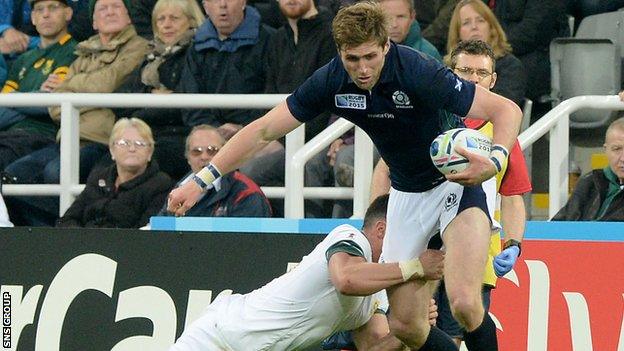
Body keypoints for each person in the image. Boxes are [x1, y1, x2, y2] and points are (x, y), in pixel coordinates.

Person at [167, 2, 522, 349]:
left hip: (456, 184)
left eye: (371, 56)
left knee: (463, 302)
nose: (363, 69)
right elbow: (263, 131)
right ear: (340, 53)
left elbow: (506, 110)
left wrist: (494, 161)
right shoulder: (331, 81)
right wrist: (201, 181)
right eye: (353, 59)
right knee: (406, 326)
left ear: (387, 46)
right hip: (406, 195)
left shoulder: (417, 70)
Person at [170, 194, 445, 350]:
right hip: (217, 340)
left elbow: (373, 346)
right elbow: (347, 279)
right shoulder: (349, 235)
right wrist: (416, 267)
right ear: (382, 229)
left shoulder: (377, 290)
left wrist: (411, 326)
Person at [3, 0, 148, 226]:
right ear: (93, 22)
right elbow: (55, 106)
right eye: (102, 8)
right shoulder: (84, 50)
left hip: (98, 139)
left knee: (55, 172)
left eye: (116, 7)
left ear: (129, 17)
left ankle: (69, 229)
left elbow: (107, 83)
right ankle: (50, 231)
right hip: (66, 137)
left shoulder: (137, 45)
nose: (109, 12)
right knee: (13, 174)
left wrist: (72, 87)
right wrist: (79, 95)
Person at [238, 0, 336, 216]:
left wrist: (279, 138)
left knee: (302, 166)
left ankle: (312, 239)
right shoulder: (277, 39)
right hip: (286, 133)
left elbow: (327, 100)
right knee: (247, 168)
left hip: (322, 137)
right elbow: (270, 94)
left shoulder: (332, 33)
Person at [113, 0, 205, 180]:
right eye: (160, 19)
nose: (166, 25)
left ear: (192, 20)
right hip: (146, 135)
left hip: (178, 137)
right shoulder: (151, 56)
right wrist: (149, 94)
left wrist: (141, 108)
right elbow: (118, 101)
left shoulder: (197, 54)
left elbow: (180, 108)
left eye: (174, 18)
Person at [177, 0, 274, 137]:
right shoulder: (196, 46)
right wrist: (213, 129)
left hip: (257, 134)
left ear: (243, 2)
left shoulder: (270, 40)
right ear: (205, 6)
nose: (222, 4)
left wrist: (244, 128)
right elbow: (191, 101)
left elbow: (274, 91)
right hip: (207, 136)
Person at [0, 0, 76, 172]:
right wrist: (31, 100)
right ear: (33, 18)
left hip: (42, 136)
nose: (46, 14)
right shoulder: (22, 59)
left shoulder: (74, 52)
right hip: (8, 134)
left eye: (53, 7)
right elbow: (1, 108)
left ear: (68, 13)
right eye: (39, 9)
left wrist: (15, 100)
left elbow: (49, 104)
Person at [54, 118, 173, 228]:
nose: (132, 149)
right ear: (112, 150)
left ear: (150, 152)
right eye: (123, 143)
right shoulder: (99, 178)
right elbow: (68, 219)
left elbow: (145, 231)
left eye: (139, 144)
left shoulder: (160, 184)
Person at [159, 124, 272, 217]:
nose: (204, 157)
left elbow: (250, 242)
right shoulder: (179, 189)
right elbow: (161, 229)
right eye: (196, 151)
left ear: (225, 154)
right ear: (187, 157)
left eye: (212, 150)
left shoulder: (246, 193)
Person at [446, 0, 526, 108]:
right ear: (457, 33)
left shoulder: (511, 67)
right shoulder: (447, 68)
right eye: (466, 22)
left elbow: (501, 108)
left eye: (480, 20)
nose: (474, 27)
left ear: (491, 27)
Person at [552, 116, 624, 221]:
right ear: (605, 150)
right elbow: (559, 224)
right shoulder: (591, 181)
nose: (623, 158)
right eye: (616, 149)